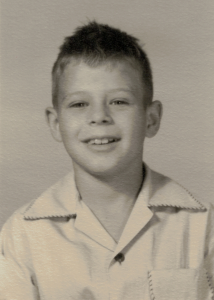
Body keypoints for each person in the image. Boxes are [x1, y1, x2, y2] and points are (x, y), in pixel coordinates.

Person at [0, 21, 213, 300]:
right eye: (79, 104)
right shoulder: (22, 235)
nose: (99, 116)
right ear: (55, 123)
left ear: (152, 118)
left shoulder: (201, 226)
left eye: (119, 101)